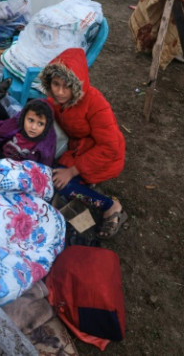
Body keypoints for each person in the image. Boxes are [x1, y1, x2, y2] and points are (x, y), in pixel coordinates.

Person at [39, 47, 127, 239]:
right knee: (51, 181)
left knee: (64, 185)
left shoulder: (96, 103)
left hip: (102, 155)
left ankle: (110, 206)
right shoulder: (54, 100)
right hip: (77, 150)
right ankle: (85, 216)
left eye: (67, 86)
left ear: (77, 85)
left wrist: (72, 171)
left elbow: (109, 147)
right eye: (55, 84)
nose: (60, 92)